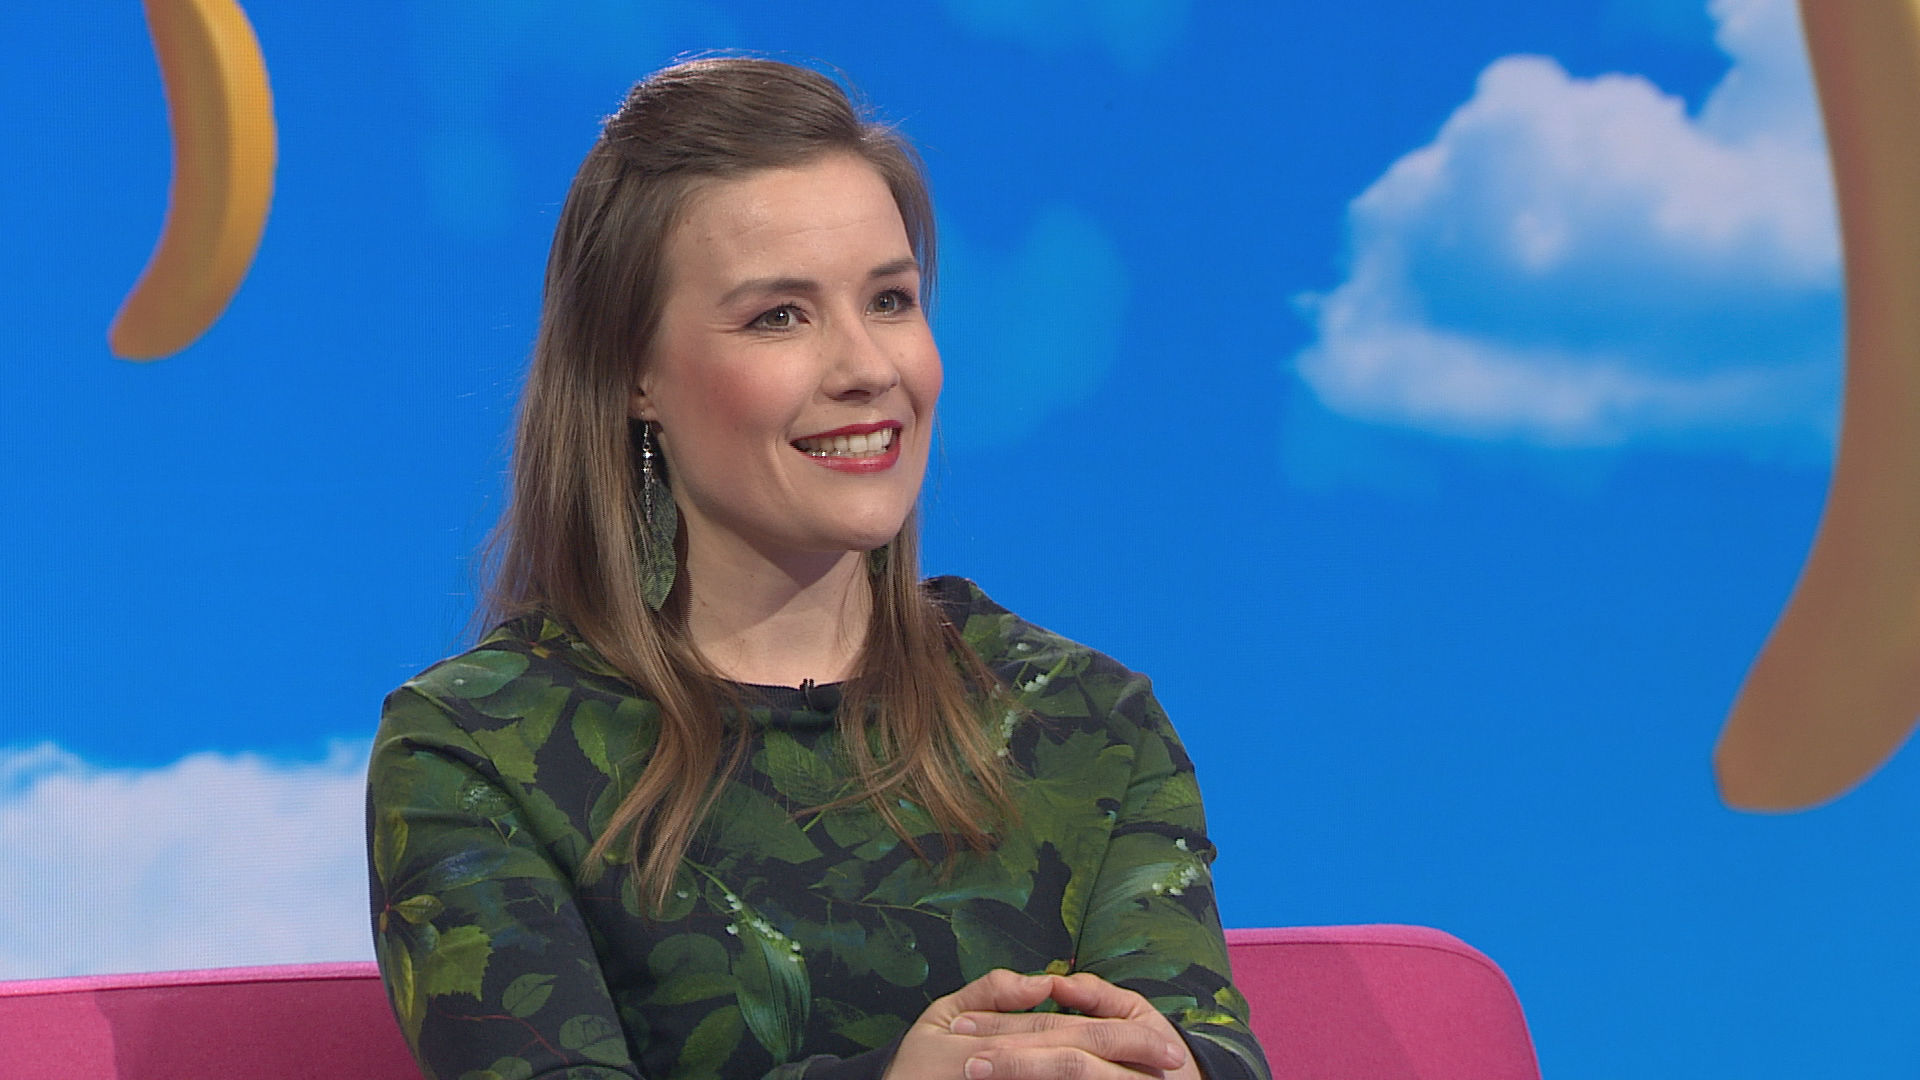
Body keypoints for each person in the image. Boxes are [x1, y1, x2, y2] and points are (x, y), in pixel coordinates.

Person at [367, 57, 1270, 1080]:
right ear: (631, 373)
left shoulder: (1087, 724)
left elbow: (1198, 1051)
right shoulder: (477, 751)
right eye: (779, 316)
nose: (868, 368)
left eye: (890, 300)